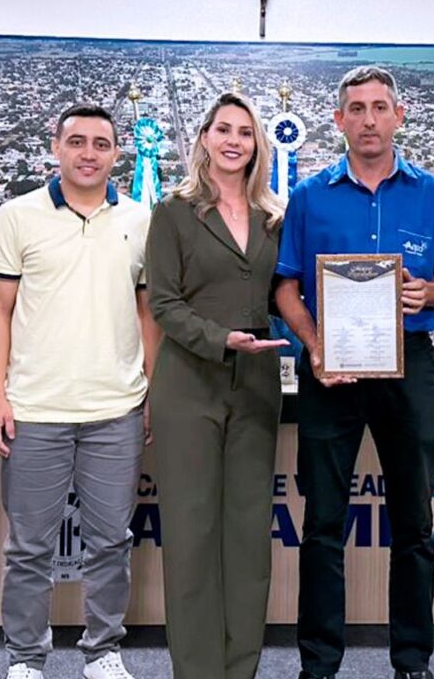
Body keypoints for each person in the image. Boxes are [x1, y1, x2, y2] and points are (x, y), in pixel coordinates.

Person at [275, 66, 434, 679]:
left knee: (415, 521)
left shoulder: (432, 194)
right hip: (329, 370)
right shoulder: (309, 195)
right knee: (324, 521)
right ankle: (319, 664)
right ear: (338, 120)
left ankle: (412, 661)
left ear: (399, 115)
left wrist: (428, 294)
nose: (367, 119)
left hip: (408, 363)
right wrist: (312, 345)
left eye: (379, 107)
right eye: (355, 108)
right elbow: (286, 286)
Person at [0, 104, 157, 679]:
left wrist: (149, 390)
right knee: (29, 549)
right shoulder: (17, 215)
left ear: (115, 153)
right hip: (33, 410)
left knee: (110, 542)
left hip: (117, 410)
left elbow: (145, 308)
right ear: (55, 147)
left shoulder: (139, 218)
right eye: (76, 141)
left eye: (101, 144)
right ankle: (27, 659)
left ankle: (102, 650)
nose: (88, 153)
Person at [145, 92, 288, 679]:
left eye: (246, 132)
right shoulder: (173, 213)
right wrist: (219, 338)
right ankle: (198, 670)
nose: (234, 140)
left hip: (256, 380)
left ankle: (240, 668)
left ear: (258, 145)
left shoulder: (275, 217)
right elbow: (162, 302)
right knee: (192, 531)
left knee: (249, 533)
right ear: (204, 138)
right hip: (190, 377)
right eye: (223, 129)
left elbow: (293, 292)